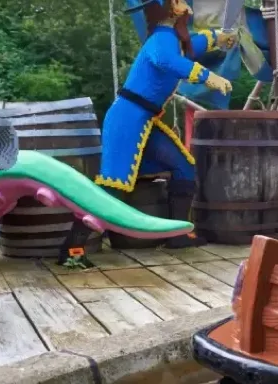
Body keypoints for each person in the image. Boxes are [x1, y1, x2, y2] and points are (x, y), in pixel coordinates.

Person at [57, 0, 237, 268]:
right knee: (112, 187)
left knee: (183, 166)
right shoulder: (161, 39)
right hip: (127, 120)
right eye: (180, 2)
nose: (186, 6)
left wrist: (219, 38)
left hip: (145, 121)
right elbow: (167, 61)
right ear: (169, 9)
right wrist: (207, 77)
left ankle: (177, 235)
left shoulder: (174, 39)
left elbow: (193, 45)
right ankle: (72, 248)